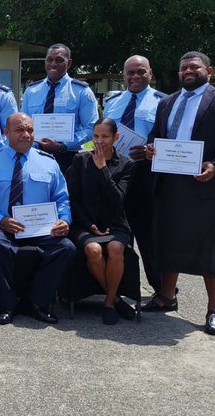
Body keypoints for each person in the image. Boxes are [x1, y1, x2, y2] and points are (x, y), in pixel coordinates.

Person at [143, 51, 215, 336]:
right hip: (169, 183)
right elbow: (156, 134)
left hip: (204, 184)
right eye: (183, 68)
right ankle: (167, 296)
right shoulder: (167, 102)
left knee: (208, 247)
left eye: (194, 67)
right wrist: (152, 146)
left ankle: (214, 309)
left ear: (208, 71)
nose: (188, 71)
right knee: (167, 241)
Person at [0, 112, 74, 325]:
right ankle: (7, 303)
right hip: (1, 224)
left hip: (39, 227)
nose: (26, 135)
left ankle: (38, 303)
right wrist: (1, 220)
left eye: (30, 130)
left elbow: (62, 198)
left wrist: (64, 221)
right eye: (19, 130)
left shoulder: (48, 162)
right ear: (6, 132)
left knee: (66, 247)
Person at [101, 55, 166, 289]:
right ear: (123, 75)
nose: (135, 76)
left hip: (146, 173)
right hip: (116, 171)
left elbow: (169, 137)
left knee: (148, 234)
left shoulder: (164, 101)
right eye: (130, 72)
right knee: (118, 231)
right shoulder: (113, 102)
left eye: (141, 71)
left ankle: (160, 289)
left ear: (151, 73)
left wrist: (153, 148)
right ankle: (124, 287)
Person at [66, 118, 137, 324]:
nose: (99, 141)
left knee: (116, 248)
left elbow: (118, 200)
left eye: (105, 136)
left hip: (115, 221)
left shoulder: (127, 164)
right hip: (85, 222)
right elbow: (73, 198)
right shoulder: (80, 160)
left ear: (116, 137)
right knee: (94, 250)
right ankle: (115, 299)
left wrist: (102, 169)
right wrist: (89, 225)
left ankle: (108, 304)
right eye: (95, 136)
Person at [20, 44, 98, 172]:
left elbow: (91, 129)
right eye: (49, 60)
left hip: (68, 159)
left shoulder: (82, 92)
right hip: (34, 156)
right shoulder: (32, 91)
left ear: (69, 63)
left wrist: (63, 146)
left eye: (59, 60)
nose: (53, 64)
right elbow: (23, 125)